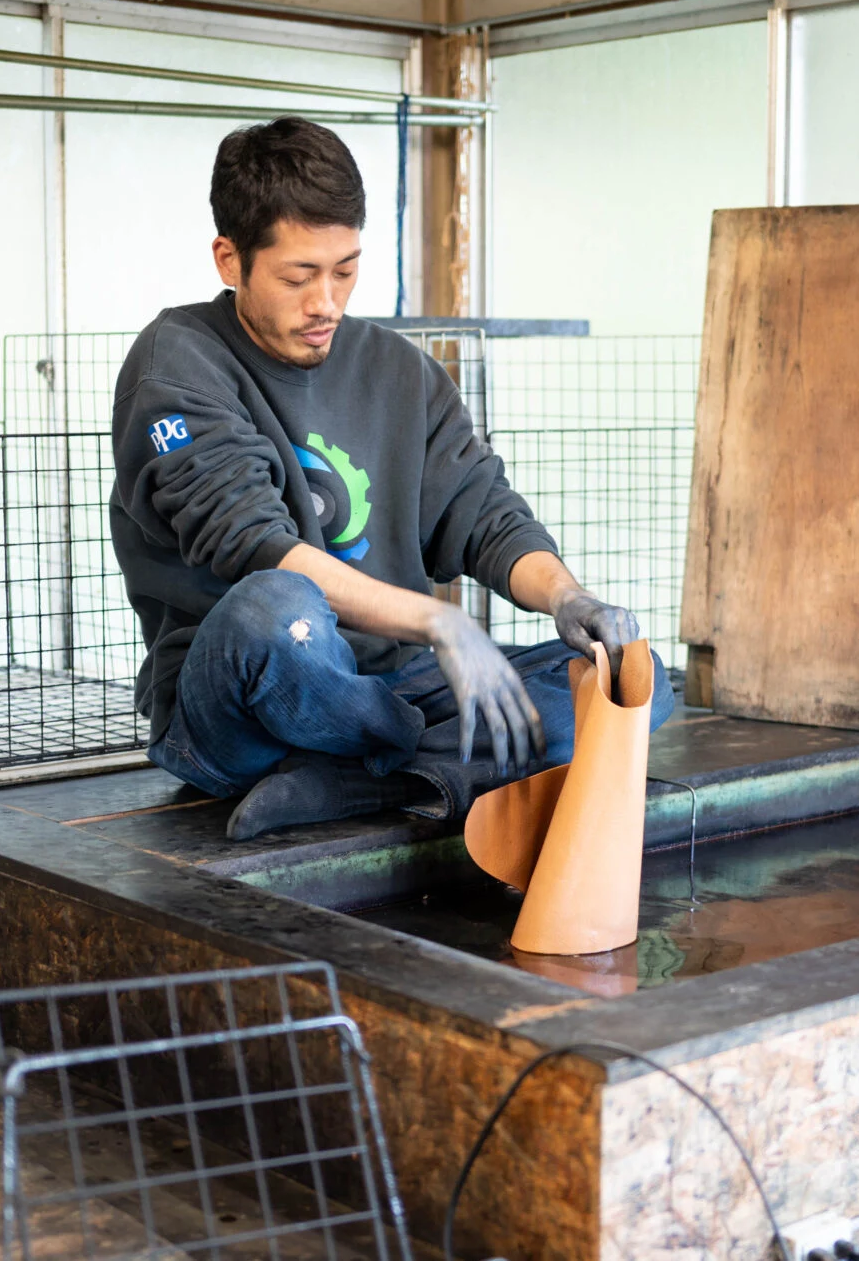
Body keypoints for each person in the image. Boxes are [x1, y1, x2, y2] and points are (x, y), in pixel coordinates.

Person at [109, 116, 673, 841]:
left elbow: (485, 514)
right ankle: (424, 762)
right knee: (273, 609)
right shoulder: (177, 362)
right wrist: (439, 621)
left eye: (345, 270)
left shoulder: (402, 372)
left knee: (634, 678)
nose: (326, 302)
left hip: (392, 682)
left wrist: (567, 596)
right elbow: (253, 544)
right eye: (298, 277)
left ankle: (354, 779)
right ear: (229, 260)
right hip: (242, 700)